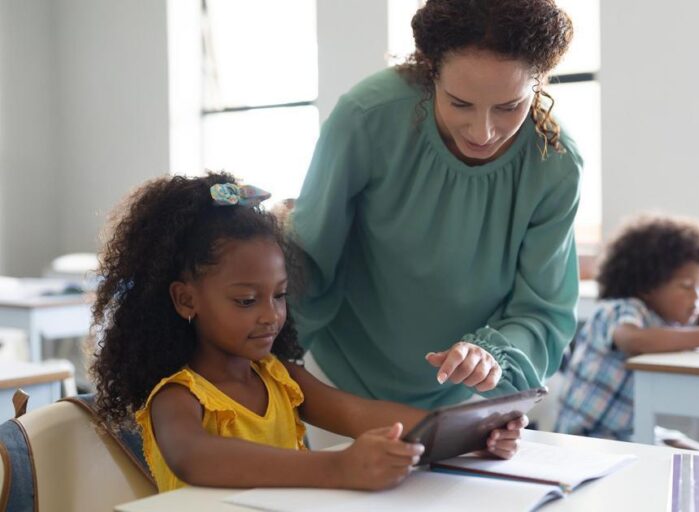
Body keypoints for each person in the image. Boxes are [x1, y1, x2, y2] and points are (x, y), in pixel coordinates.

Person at [89, 172, 524, 493]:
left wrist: (472, 434)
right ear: (186, 300)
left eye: (278, 296)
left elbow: (361, 414)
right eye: (246, 300)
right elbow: (195, 458)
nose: (270, 316)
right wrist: (336, 469)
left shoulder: (282, 377)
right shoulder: (178, 396)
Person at [285, 0, 581, 444]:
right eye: (460, 103)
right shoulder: (367, 117)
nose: (482, 131)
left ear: (539, 85)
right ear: (430, 72)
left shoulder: (555, 162)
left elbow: (541, 311)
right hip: (337, 384)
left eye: (509, 106)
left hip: (462, 401)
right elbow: (308, 260)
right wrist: (265, 368)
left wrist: (490, 357)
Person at [554, 216, 699, 441]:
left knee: (697, 457)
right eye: (686, 286)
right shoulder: (620, 309)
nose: (697, 297)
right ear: (647, 284)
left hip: (630, 432)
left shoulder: (664, 319)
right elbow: (634, 341)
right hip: (587, 438)